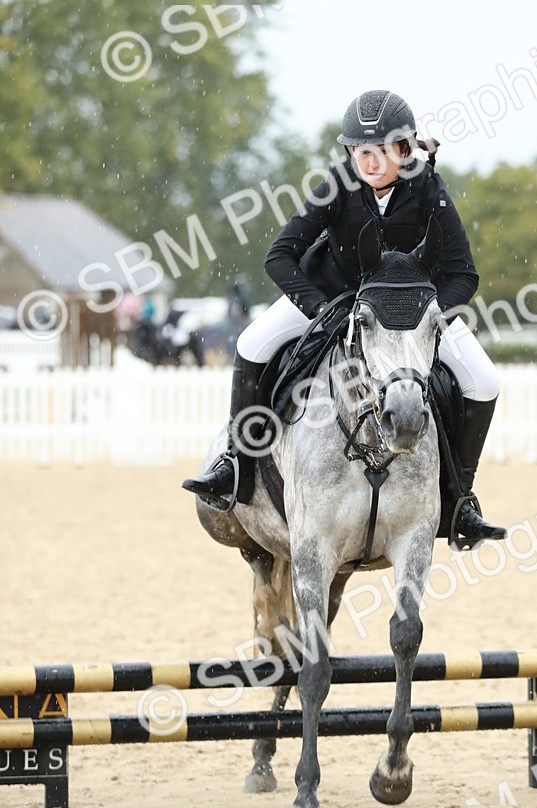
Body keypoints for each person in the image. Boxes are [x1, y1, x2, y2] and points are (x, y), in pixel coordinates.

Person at [183, 89, 506, 546]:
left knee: (484, 381)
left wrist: (430, 318)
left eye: (378, 152)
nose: (368, 162)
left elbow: (462, 274)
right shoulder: (337, 184)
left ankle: (459, 501)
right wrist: (320, 309)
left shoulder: (428, 188)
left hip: (408, 315)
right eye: (359, 152)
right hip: (330, 300)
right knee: (251, 344)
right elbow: (280, 256)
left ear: (403, 149)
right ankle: (234, 464)